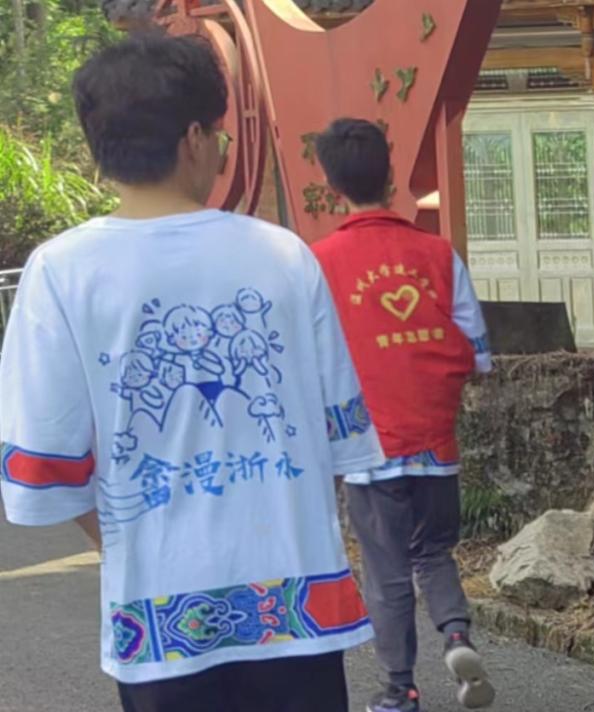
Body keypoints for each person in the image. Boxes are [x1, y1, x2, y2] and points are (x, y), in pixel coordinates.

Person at [0, 34, 385, 712]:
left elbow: (46, 467)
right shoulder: (283, 257)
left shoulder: (60, 272)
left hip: (160, 621)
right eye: (218, 135)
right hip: (297, 612)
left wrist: (126, 542)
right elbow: (336, 440)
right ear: (194, 139)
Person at [312, 118, 495, 712]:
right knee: (434, 553)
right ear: (390, 177)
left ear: (332, 186)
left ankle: (400, 689)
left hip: (368, 448)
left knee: (386, 570)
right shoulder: (438, 253)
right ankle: (457, 636)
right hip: (435, 443)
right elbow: (477, 351)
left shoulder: (319, 263)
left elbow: (312, 359)